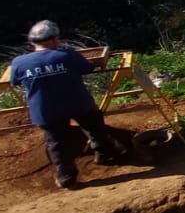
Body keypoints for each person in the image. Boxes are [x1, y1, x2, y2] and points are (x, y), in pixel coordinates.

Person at [9, 20, 118, 189]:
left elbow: (15, 81)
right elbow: (88, 68)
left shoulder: (19, 62)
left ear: (32, 42)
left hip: (46, 110)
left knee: (56, 142)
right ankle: (104, 153)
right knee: (94, 124)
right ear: (53, 39)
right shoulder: (66, 55)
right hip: (77, 103)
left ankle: (66, 176)